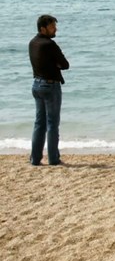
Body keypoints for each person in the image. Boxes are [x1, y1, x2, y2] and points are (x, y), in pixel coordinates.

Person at [29, 14, 70, 166]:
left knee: (39, 123)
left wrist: (53, 64)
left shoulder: (32, 43)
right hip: (50, 86)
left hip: (36, 84)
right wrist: (55, 64)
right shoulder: (49, 45)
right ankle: (53, 159)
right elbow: (65, 64)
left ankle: (35, 158)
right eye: (52, 27)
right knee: (52, 123)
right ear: (43, 28)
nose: (55, 30)